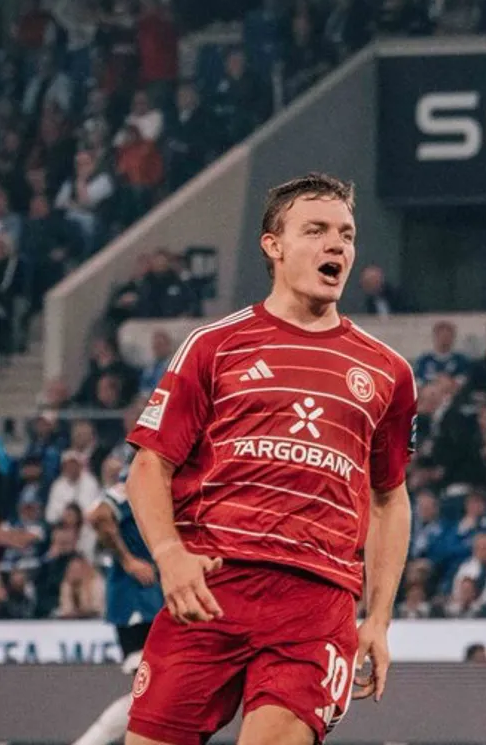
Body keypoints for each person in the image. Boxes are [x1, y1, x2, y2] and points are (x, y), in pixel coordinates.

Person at [121, 173, 417, 744]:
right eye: (316, 230)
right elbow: (149, 466)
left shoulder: (388, 372)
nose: (337, 245)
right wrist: (169, 555)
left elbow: (389, 499)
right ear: (273, 245)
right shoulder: (214, 346)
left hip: (316, 603)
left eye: (346, 234)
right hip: (212, 586)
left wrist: (379, 619)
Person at [72, 478, 166, 745]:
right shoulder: (136, 481)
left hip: (154, 599)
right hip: (137, 601)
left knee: (156, 692)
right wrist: (128, 561)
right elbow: (98, 514)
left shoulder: (170, 485)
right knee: (149, 693)